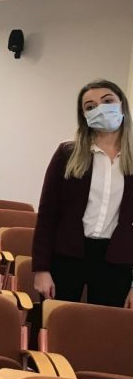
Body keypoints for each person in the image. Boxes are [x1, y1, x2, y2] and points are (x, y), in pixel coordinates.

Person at [33, 79, 133, 308]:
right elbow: (47, 214)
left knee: (103, 327)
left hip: (115, 259)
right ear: (84, 115)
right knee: (54, 321)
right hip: (67, 254)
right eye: (90, 106)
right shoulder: (67, 153)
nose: (100, 109)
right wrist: (41, 269)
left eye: (107, 101)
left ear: (122, 105)